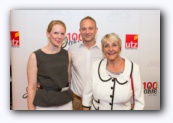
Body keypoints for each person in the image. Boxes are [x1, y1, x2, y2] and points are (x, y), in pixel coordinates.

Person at [82, 33, 145, 110]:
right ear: (103, 50)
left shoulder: (133, 68)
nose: (110, 49)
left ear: (120, 48)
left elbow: (139, 102)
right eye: (106, 46)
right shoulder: (95, 66)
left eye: (114, 45)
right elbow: (87, 96)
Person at [27, 20, 73, 110]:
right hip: (44, 103)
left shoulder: (67, 54)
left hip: (65, 102)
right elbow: (31, 87)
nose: (59, 37)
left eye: (62, 33)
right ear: (48, 34)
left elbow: (69, 80)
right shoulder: (35, 56)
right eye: (56, 33)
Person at [68, 16, 103, 110]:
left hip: (98, 101)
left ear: (96, 30)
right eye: (84, 29)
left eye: (90, 28)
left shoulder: (104, 51)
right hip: (77, 101)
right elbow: (67, 73)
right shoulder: (72, 49)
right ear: (80, 31)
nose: (87, 32)